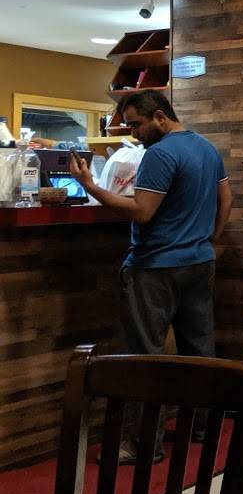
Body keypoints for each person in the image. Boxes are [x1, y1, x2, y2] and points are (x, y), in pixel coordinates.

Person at [69, 90, 232, 463]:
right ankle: (202, 428)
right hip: (199, 263)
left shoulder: (159, 154)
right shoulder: (206, 148)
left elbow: (142, 211)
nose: (134, 132)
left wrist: (90, 186)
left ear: (160, 117)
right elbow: (227, 200)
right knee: (199, 351)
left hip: (156, 266)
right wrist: (210, 240)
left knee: (144, 356)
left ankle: (142, 443)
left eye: (137, 124)